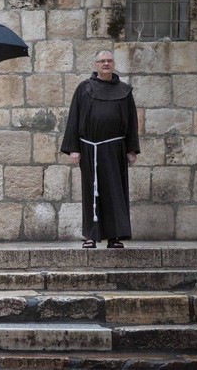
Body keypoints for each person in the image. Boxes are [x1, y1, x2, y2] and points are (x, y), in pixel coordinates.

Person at [61, 50, 140, 249]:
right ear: (95, 65)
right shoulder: (84, 89)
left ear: (113, 64)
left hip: (115, 148)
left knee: (115, 192)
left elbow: (131, 121)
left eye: (109, 60)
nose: (106, 64)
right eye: (102, 61)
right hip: (90, 148)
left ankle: (114, 237)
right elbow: (74, 118)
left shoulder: (124, 91)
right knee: (92, 192)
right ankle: (91, 236)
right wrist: (74, 149)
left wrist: (132, 149)